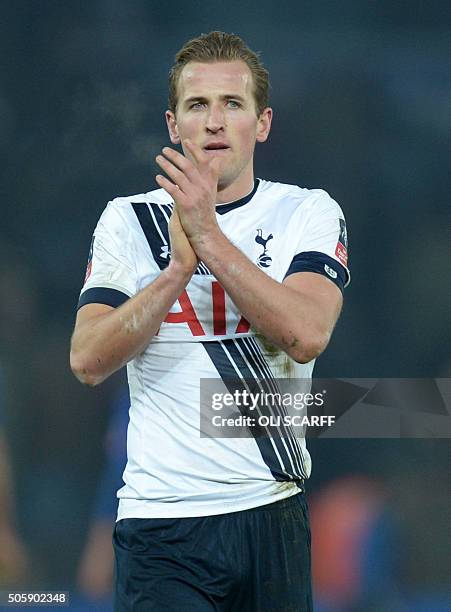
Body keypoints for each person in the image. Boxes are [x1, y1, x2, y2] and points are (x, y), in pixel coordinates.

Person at [70, 31, 350, 612]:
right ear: (174, 125)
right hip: (163, 524)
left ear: (263, 123)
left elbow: (306, 334)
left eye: (233, 104)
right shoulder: (129, 221)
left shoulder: (308, 211)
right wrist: (175, 271)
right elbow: (87, 360)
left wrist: (207, 236)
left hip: (272, 510)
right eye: (198, 105)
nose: (215, 122)